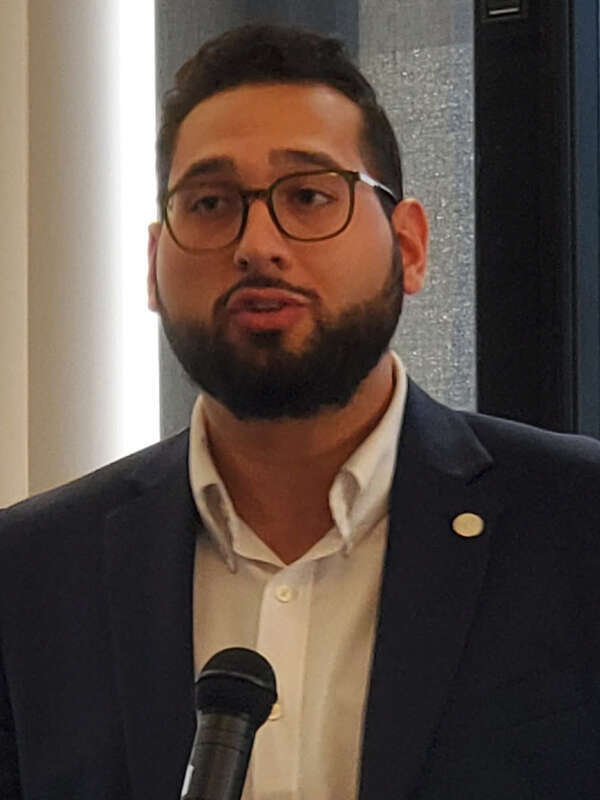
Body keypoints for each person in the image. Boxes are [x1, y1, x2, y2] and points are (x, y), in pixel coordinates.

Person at [1, 22, 599, 800]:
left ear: (410, 245)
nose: (257, 244)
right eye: (211, 203)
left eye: (310, 195)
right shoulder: (31, 578)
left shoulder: (577, 527)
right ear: (153, 266)